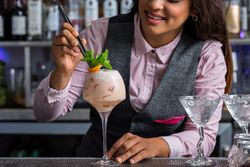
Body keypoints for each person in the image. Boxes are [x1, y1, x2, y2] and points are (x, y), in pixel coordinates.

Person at [33, 0, 233, 164]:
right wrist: (63, 72)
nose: (154, 4)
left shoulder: (207, 54)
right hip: (95, 160)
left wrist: (158, 145)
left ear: (195, 8)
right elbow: (45, 114)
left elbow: (203, 136)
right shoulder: (101, 33)